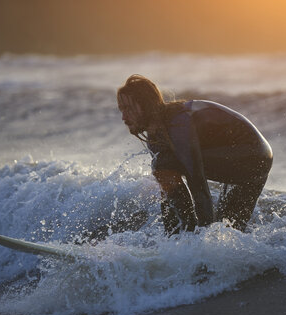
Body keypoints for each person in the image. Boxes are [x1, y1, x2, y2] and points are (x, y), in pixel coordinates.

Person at [117, 75, 273, 235]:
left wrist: (201, 241)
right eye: (121, 110)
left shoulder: (178, 123)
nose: (123, 117)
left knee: (163, 163)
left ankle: (190, 233)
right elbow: (168, 192)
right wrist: (169, 237)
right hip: (255, 161)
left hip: (252, 155)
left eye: (128, 109)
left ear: (146, 105)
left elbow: (197, 181)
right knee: (229, 231)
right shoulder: (156, 136)